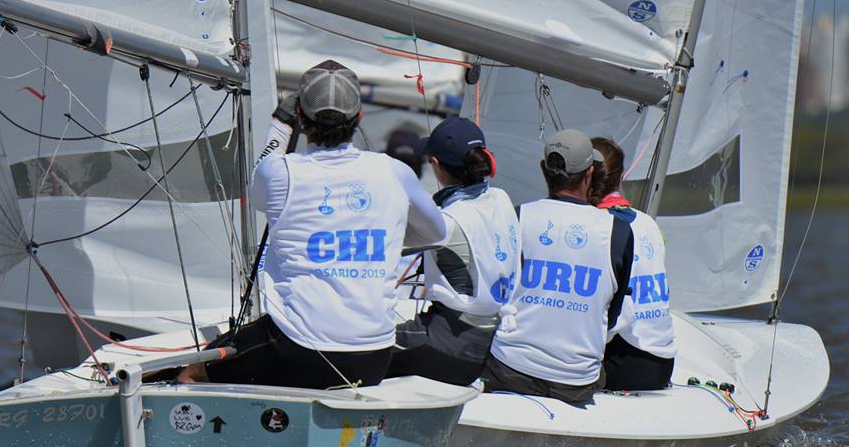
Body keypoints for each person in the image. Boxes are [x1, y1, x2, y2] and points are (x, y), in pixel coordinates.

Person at [178, 60, 446, 388]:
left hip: (299, 350)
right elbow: (437, 233)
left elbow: (258, 181)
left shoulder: (278, 173)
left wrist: (280, 125)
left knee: (194, 371)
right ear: (360, 118)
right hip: (375, 356)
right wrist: (372, 238)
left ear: (301, 118)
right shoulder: (396, 172)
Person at [482, 129, 633, 404]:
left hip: (510, 369)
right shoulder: (619, 231)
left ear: (544, 169)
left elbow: (493, 294)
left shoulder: (517, 217)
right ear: (589, 173)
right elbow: (612, 316)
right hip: (576, 381)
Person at [387, 117, 520, 385]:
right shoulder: (502, 198)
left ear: (436, 165)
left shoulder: (446, 223)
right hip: (487, 341)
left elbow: (382, 242)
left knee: (361, 346)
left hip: (448, 345)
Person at [589, 136, 676, 390]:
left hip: (626, 362)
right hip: (663, 363)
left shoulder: (598, 227)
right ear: (620, 177)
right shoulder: (648, 223)